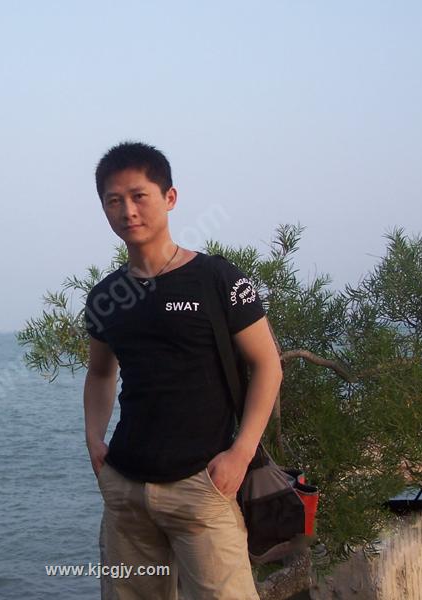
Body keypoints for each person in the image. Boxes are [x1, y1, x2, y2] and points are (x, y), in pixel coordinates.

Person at [83, 142, 283, 599]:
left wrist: (241, 453)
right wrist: (93, 439)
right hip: (126, 492)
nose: (127, 211)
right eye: (113, 201)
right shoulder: (106, 296)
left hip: (203, 486)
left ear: (169, 197)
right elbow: (100, 373)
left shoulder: (217, 279)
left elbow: (267, 364)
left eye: (139, 196)